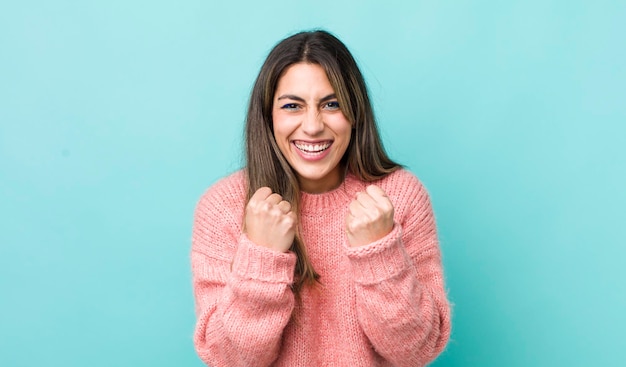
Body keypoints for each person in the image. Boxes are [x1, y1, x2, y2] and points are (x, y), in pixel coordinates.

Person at [191, 30, 451, 366]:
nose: (312, 126)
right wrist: (261, 256)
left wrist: (380, 253)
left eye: (332, 104)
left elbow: (417, 351)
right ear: (269, 117)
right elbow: (228, 359)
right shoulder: (224, 207)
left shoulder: (398, 197)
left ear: (355, 112)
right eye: (292, 106)